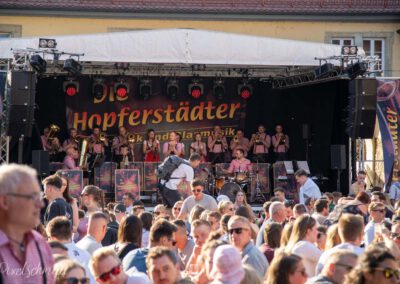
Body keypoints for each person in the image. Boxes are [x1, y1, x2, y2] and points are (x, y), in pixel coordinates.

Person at [0, 164, 55, 283]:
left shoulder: (40, 245)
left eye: (39, 197)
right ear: (4, 201)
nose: (41, 204)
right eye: (32, 197)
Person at [46, 216, 94, 283]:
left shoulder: (47, 257)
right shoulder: (85, 254)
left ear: (52, 238)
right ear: (71, 233)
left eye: (48, 237)